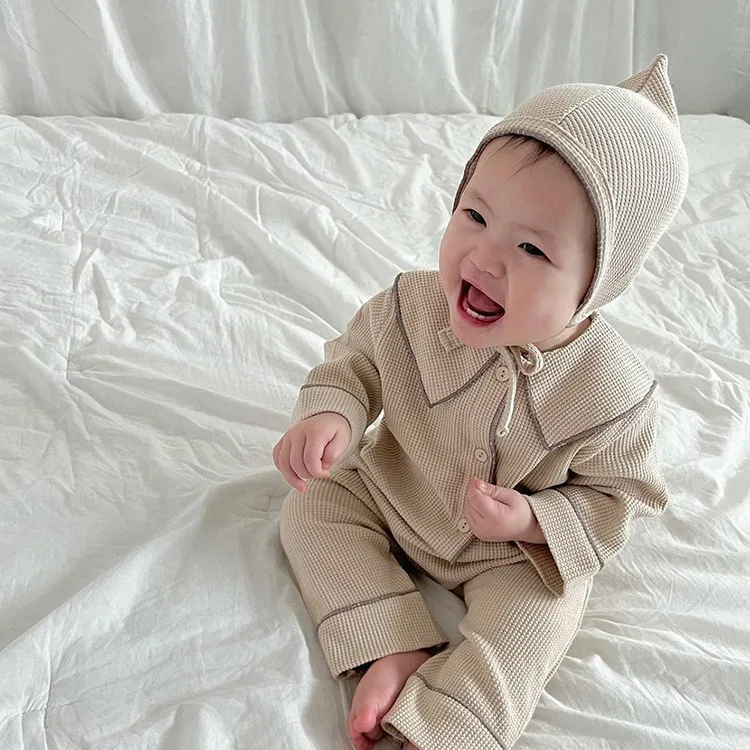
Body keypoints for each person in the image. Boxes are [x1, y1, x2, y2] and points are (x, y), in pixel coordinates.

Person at [274, 54, 688, 750]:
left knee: (541, 615)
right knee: (312, 506)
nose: (484, 259)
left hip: (510, 554)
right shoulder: (410, 307)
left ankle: (448, 724)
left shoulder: (613, 392)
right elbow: (354, 363)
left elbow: (623, 495)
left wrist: (533, 520)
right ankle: (391, 643)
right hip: (396, 492)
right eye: (474, 215)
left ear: (598, 282)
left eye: (531, 248)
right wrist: (332, 415)